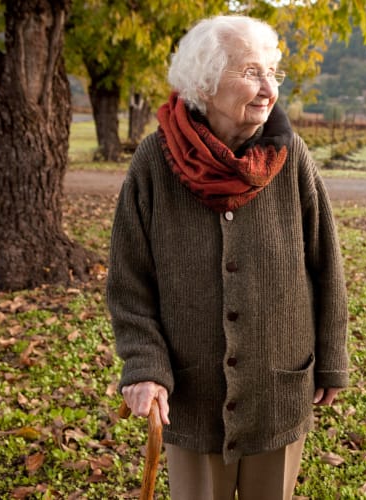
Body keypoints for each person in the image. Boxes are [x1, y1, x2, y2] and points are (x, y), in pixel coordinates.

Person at [107, 14, 348, 500]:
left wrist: (333, 359)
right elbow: (129, 282)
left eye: (272, 74)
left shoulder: (291, 156)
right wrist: (145, 365)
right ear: (206, 82)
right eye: (250, 73)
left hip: (278, 388)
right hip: (191, 396)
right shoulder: (155, 162)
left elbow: (326, 264)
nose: (268, 89)